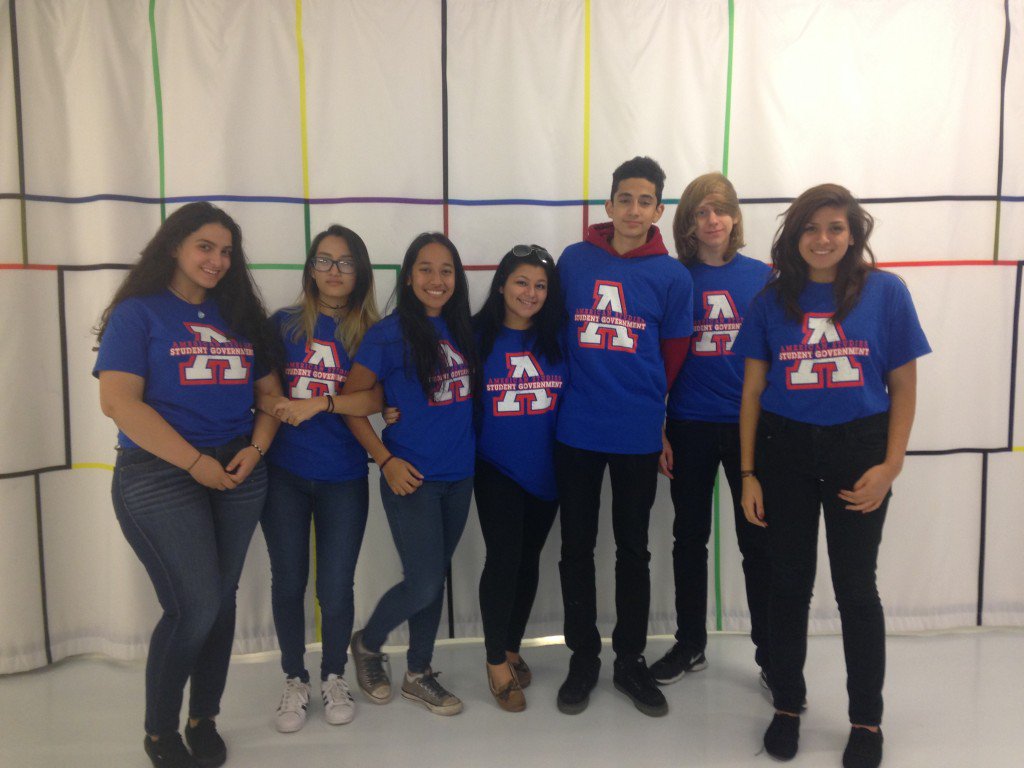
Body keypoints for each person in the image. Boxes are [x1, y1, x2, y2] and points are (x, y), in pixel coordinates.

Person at [734, 184, 930, 768]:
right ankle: (786, 705)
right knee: (788, 584)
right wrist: (748, 473)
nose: (823, 239)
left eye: (836, 228)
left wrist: (891, 465)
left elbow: (903, 387)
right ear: (794, 236)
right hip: (784, 451)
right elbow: (752, 391)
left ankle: (866, 720)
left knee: (856, 588)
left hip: (859, 451)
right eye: (810, 228)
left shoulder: (886, 292)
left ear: (853, 234)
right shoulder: (771, 300)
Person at [94, 202, 282, 768]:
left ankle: (204, 718)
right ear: (174, 246)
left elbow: (269, 398)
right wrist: (194, 461)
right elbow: (118, 402)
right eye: (205, 246)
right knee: (193, 605)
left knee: (219, 603)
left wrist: (256, 448)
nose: (217, 260)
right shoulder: (138, 313)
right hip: (159, 472)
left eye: (226, 251)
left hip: (238, 470)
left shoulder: (242, 314)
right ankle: (159, 731)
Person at [554, 156, 694, 717]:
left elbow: (674, 355)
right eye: (625, 199)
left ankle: (629, 660)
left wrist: (653, 413)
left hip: (636, 432)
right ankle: (583, 657)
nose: (634, 210)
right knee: (576, 547)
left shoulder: (673, 276)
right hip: (577, 428)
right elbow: (553, 333)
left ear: (658, 211)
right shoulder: (573, 260)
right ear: (609, 204)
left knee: (633, 550)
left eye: (646, 201)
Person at [256, 225, 384, 732]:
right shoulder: (283, 325)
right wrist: (282, 406)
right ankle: (294, 677)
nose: (334, 271)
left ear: (361, 272)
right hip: (284, 474)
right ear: (310, 269)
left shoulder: (374, 331)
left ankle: (333, 675)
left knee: (335, 586)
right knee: (289, 581)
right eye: (324, 260)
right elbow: (264, 393)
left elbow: (375, 399)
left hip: (344, 476)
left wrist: (321, 404)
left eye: (346, 262)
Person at [343, 232, 476, 716]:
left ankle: (418, 673)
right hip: (411, 478)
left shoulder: (464, 329)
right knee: (423, 583)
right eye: (425, 269)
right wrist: (385, 459)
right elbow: (352, 405)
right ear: (408, 276)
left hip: (460, 476)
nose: (436, 279)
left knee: (432, 578)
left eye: (446, 270)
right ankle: (368, 642)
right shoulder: (387, 334)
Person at [651, 173, 772, 686]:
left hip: (749, 428)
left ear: (735, 217)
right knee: (688, 538)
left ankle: (772, 655)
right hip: (690, 423)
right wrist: (659, 425)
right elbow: (656, 358)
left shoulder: (764, 276)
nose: (712, 219)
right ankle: (690, 644)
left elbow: (781, 354)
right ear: (688, 224)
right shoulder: (676, 278)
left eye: (720, 209)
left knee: (757, 541)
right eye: (701, 211)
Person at [472, 244, 567, 711]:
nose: (531, 293)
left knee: (528, 560)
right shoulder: (473, 335)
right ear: (501, 286)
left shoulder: (558, 337)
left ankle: (511, 648)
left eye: (540, 285)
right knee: (504, 558)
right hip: (496, 467)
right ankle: (494, 661)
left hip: (548, 469)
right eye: (521, 282)